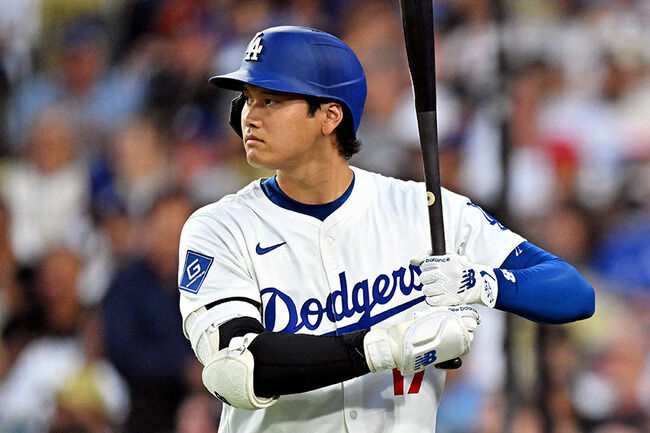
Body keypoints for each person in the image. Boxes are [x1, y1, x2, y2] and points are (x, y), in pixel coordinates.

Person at [177, 26, 595, 433]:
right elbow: (237, 370)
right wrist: (387, 347)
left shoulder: (423, 208)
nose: (249, 116)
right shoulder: (220, 227)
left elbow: (573, 292)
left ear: (330, 116)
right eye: (247, 99)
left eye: (270, 99)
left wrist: (481, 283)